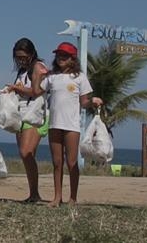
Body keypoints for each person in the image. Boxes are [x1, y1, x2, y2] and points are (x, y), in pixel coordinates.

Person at [37, 42, 103, 207]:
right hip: (54, 124)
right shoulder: (52, 77)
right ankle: (57, 197)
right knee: (57, 163)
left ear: (72, 59)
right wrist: (39, 74)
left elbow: (84, 102)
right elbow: (37, 90)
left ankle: (73, 197)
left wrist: (93, 101)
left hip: (72, 125)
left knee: (72, 163)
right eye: (58, 55)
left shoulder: (80, 77)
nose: (60, 58)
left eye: (65, 56)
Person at [5, 37, 49, 203]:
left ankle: (35, 193)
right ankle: (33, 193)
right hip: (21, 113)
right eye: (18, 57)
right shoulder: (22, 71)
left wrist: (19, 88)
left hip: (36, 113)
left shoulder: (38, 67)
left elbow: (38, 91)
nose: (21, 60)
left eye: (24, 57)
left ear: (31, 54)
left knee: (26, 152)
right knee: (26, 156)